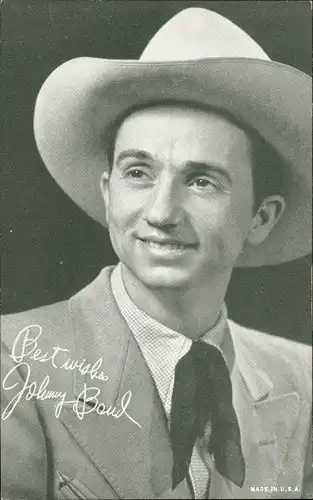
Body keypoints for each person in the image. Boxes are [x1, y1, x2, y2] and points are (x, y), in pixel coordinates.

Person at [1, 7, 312, 500]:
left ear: (262, 217)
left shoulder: (304, 380)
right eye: (138, 173)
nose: (162, 212)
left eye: (202, 181)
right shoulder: (12, 362)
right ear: (107, 193)